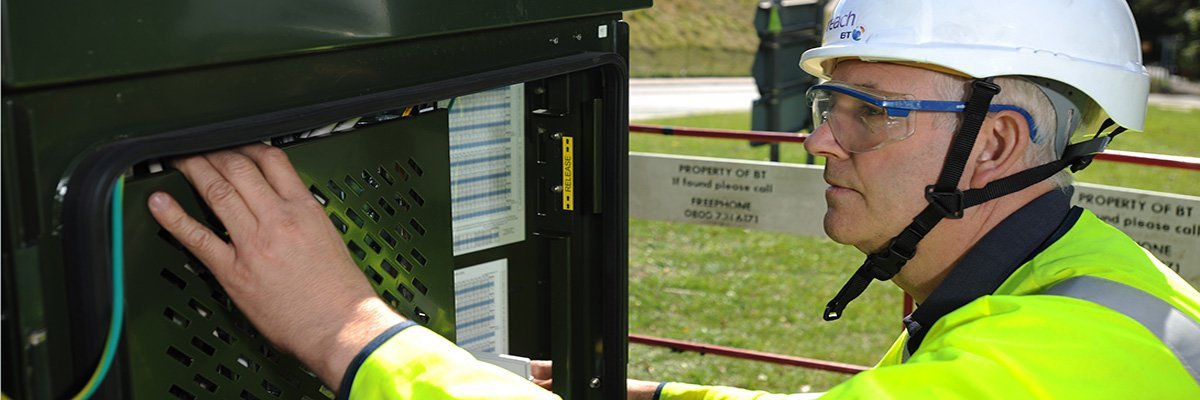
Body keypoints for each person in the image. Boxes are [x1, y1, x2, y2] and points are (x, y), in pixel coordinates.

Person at [148, 0, 1200, 398]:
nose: (818, 138)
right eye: (826, 101)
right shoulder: (1076, 295)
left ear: (996, 145)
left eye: (869, 111)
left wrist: (346, 329)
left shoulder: (1063, 366)